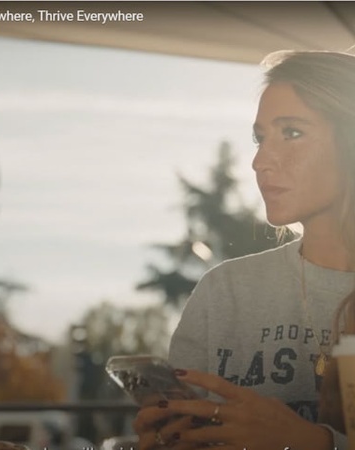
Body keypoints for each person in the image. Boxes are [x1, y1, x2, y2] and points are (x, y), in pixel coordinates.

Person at [133, 50, 355, 450]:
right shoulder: (223, 292)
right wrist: (168, 436)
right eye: (260, 138)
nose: (259, 161)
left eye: (291, 132)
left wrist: (316, 443)